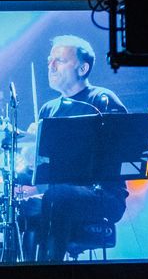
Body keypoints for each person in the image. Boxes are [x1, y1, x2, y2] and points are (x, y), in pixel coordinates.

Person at [22, 34, 130, 262]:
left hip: (103, 195)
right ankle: (25, 269)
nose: (50, 65)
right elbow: (41, 164)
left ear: (82, 68)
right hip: (58, 195)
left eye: (59, 60)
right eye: (49, 60)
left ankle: (50, 270)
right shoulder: (48, 109)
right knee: (23, 207)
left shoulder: (102, 100)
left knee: (58, 195)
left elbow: (119, 151)